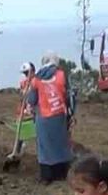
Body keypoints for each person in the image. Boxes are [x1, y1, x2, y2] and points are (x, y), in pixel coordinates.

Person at [26, 52, 74, 183]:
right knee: (61, 144)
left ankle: (46, 177)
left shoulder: (36, 79)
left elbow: (32, 99)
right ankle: (61, 174)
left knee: (44, 146)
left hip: (43, 117)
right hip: (59, 116)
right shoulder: (62, 75)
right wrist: (71, 114)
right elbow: (69, 96)